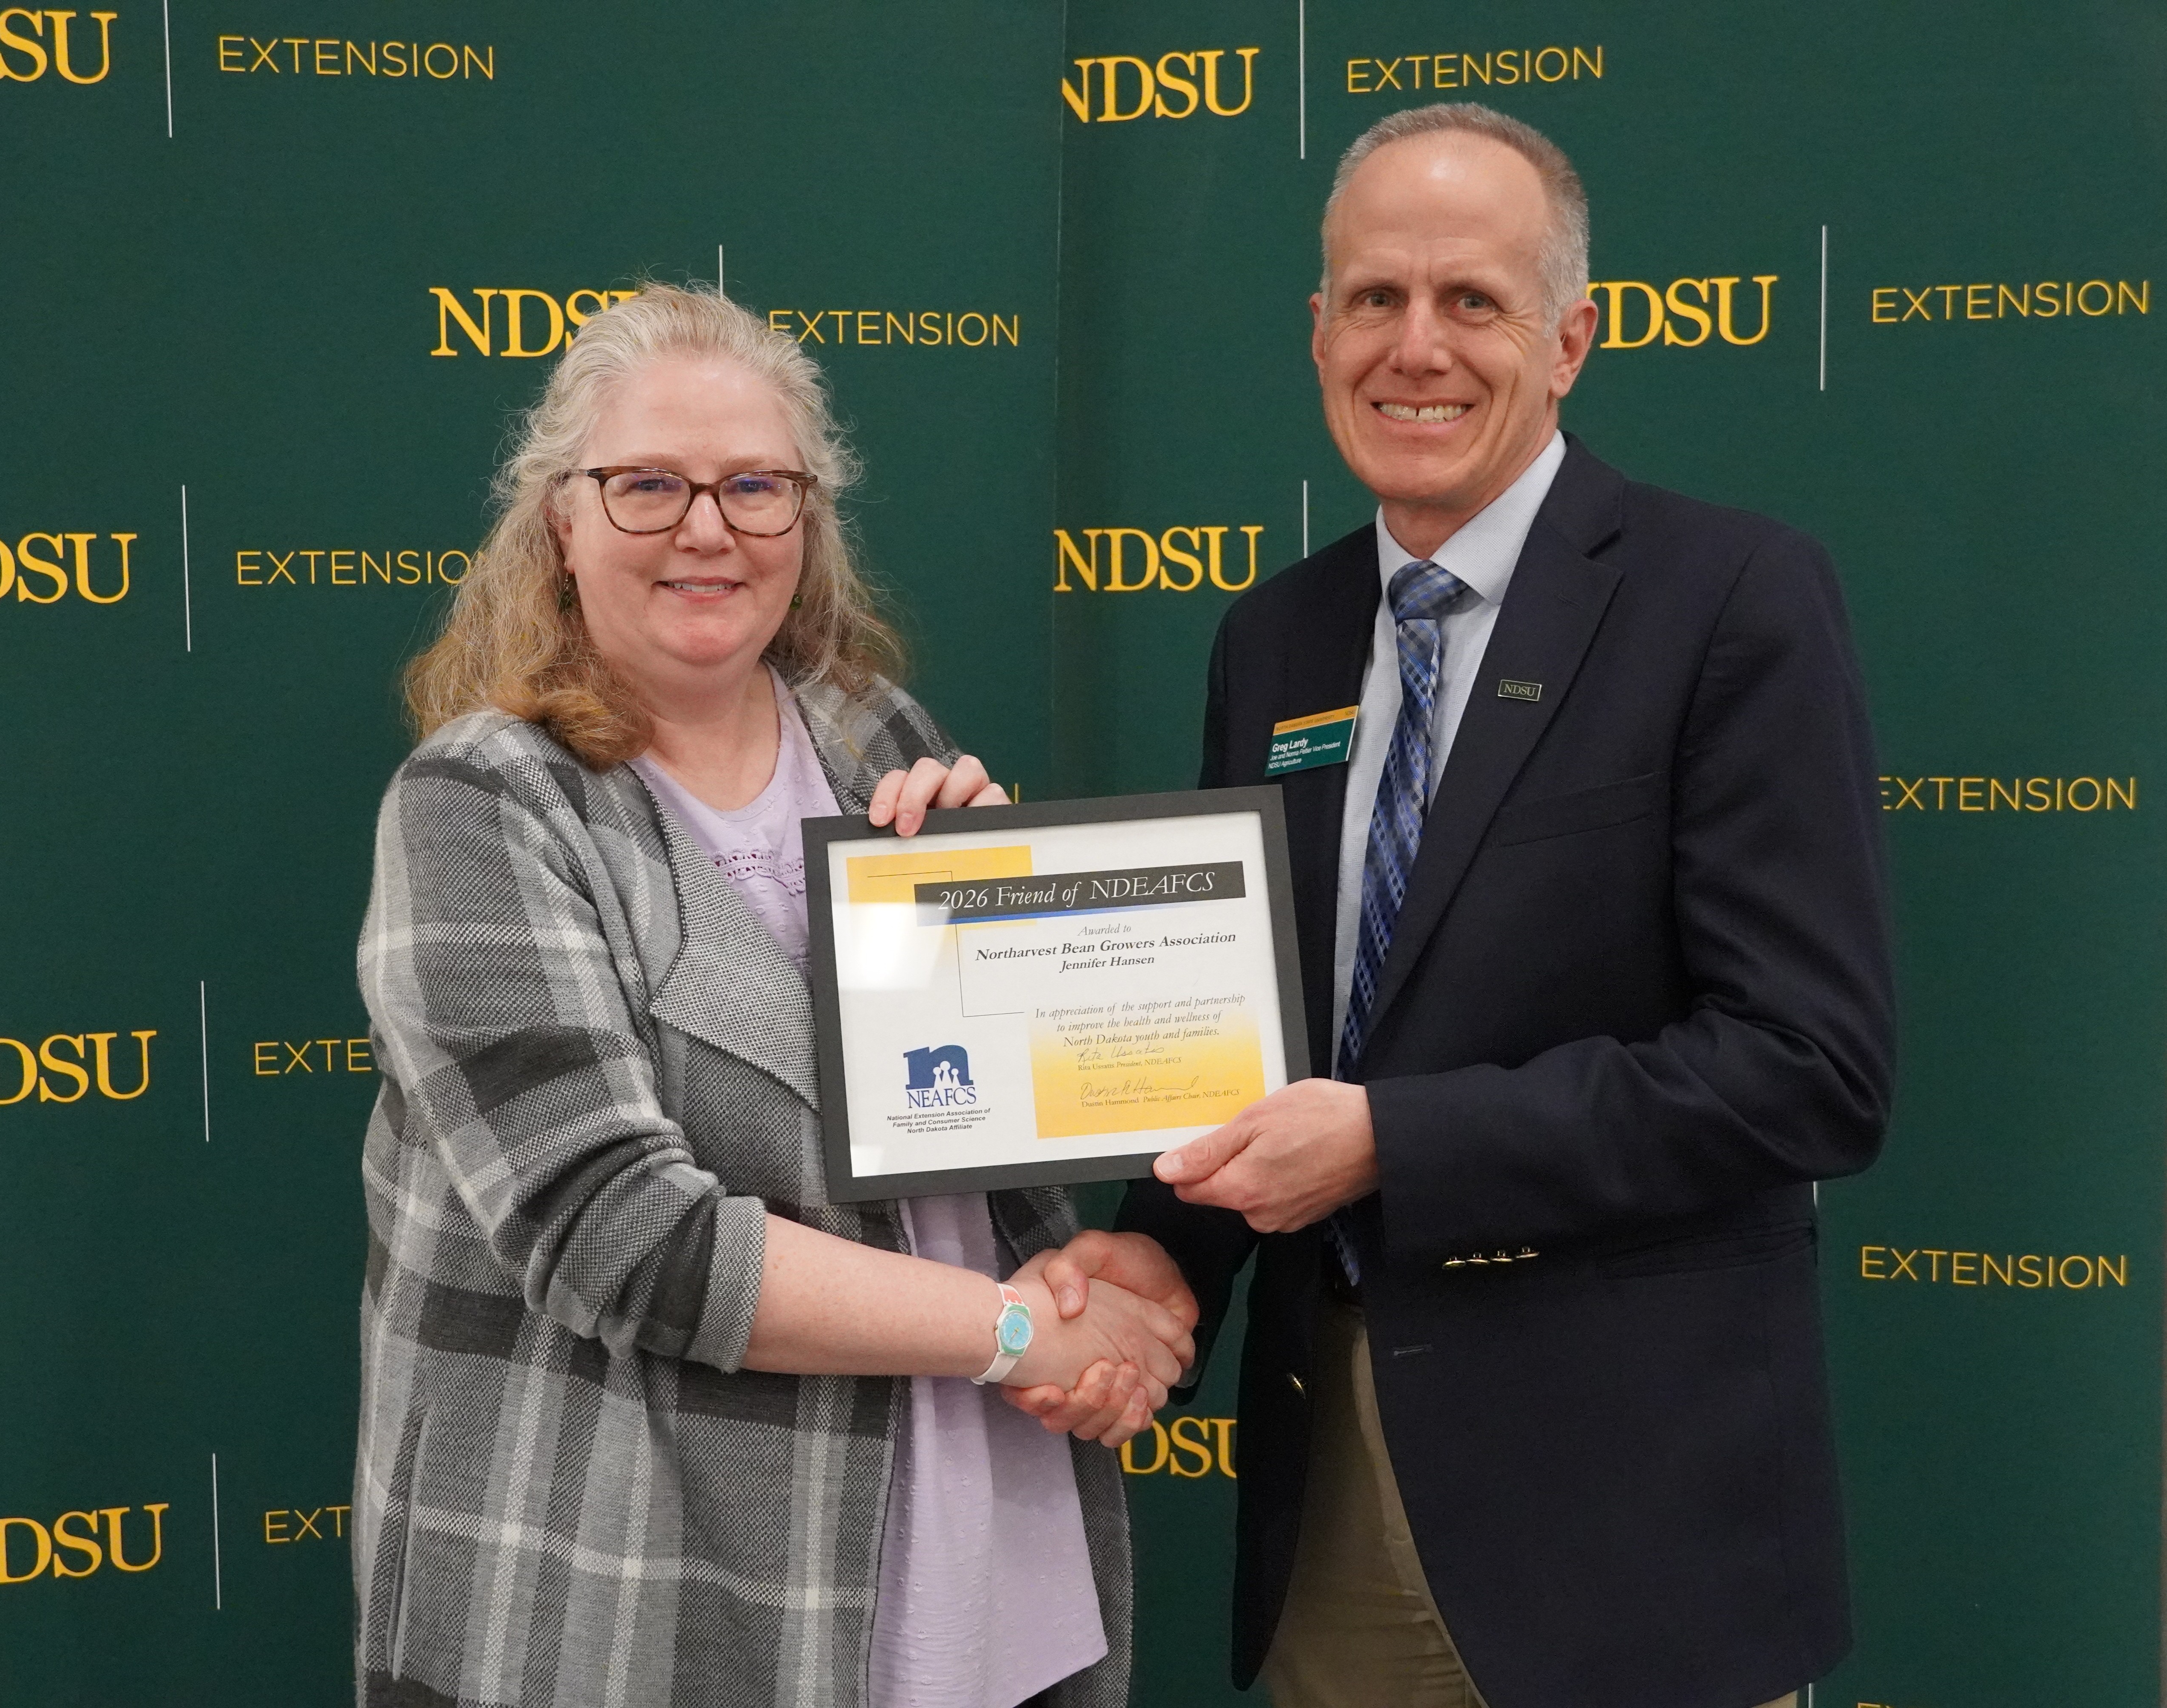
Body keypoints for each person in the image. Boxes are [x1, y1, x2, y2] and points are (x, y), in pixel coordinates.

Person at [1023, 104, 1894, 1708]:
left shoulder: (1727, 601)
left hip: (1631, 1527)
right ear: (1320, 330)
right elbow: (1252, 1037)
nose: (1414, 348)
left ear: (1572, 340)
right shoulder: (1274, 639)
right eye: (1376, 298)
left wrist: (1392, 1143)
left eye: (1471, 302)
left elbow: (1810, 1069)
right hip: (1335, 1502)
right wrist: (1162, 1257)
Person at [351, 282, 1199, 1708]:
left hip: (978, 1549)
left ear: (808, 521)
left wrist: (1008, 947)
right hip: (649, 1597)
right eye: (648, 485)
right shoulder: (483, 801)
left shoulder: (879, 740)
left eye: (756, 486)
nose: (708, 528)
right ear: (560, 520)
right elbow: (621, 1237)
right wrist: (1017, 1331)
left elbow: (966, 1149)